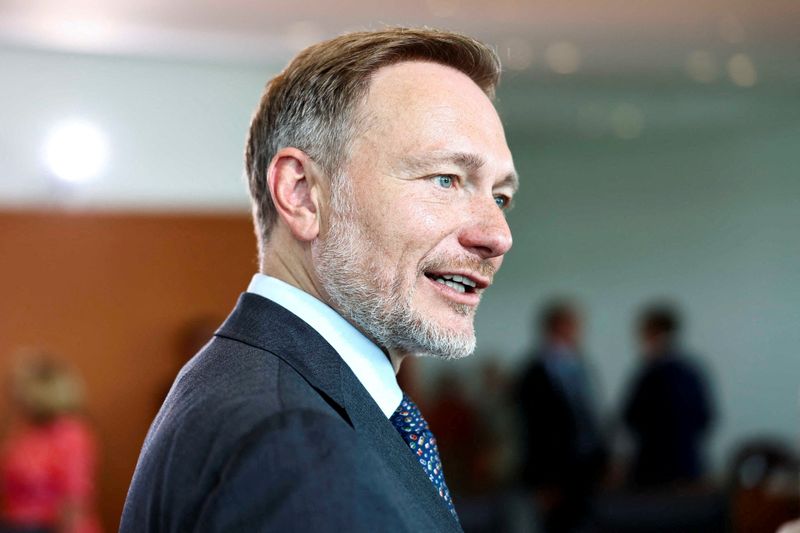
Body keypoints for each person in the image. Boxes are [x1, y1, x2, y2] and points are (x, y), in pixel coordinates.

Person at [121, 27, 517, 532]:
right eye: (446, 179)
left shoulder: (251, 384)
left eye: (500, 196)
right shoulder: (292, 443)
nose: (497, 235)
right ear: (302, 193)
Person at [517, 299, 607, 533]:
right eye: (572, 325)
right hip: (554, 475)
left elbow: (590, 416)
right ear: (556, 327)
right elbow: (534, 430)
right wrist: (543, 480)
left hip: (585, 469)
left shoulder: (581, 366)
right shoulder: (534, 373)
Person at [0, 352, 101, 533]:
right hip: (16, 524)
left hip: (51, 527)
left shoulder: (70, 433)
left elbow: (74, 498)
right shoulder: (25, 430)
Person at [622, 302, 714, 488]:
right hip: (687, 465)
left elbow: (632, 416)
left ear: (654, 333)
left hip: (654, 469)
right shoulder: (691, 371)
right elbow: (706, 416)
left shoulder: (652, 374)